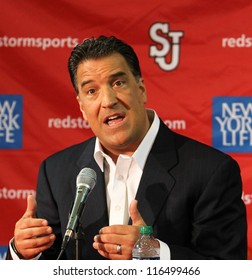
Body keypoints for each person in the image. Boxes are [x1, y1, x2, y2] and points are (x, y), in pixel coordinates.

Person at [6, 35, 247, 260]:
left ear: (141, 89)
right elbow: (52, 263)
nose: (108, 100)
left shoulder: (211, 171)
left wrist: (156, 254)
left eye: (118, 83)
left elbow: (226, 268)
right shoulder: (55, 171)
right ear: (81, 107)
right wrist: (23, 252)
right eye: (92, 90)